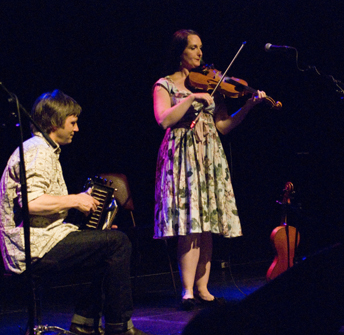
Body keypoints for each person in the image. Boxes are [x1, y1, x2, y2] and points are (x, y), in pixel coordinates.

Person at [0, 90, 151, 335]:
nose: (77, 129)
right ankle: (119, 327)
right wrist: (75, 200)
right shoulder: (37, 152)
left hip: (46, 238)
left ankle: (84, 321)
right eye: (73, 122)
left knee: (106, 241)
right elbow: (31, 203)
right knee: (118, 243)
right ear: (54, 123)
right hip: (33, 248)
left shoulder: (45, 150)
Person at [153, 29, 267, 310]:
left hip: (209, 155)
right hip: (182, 157)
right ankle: (187, 291)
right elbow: (163, 119)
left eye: (201, 47)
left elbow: (223, 126)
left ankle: (203, 289)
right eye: (193, 48)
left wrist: (249, 106)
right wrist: (191, 99)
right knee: (190, 225)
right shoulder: (165, 85)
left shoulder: (212, 87)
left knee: (207, 226)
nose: (200, 53)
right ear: (180, 52)